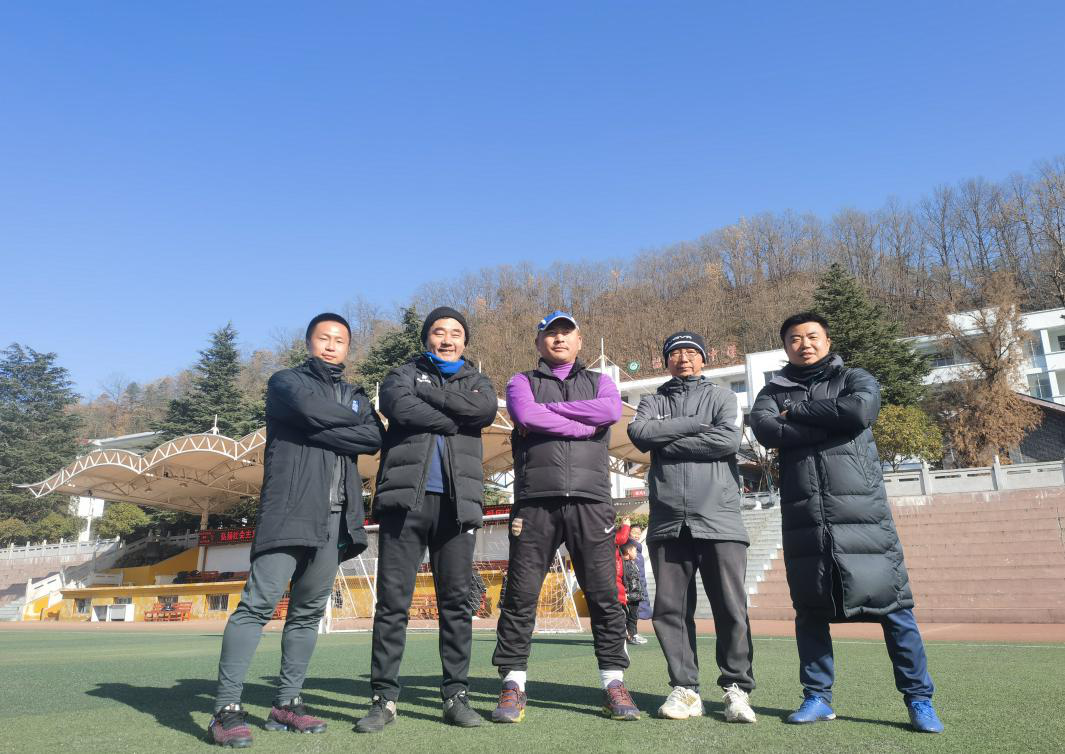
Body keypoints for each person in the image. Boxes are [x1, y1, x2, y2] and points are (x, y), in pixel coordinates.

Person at [749, 312, 943, 734]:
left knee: (895, 609)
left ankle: (919, 700)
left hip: (864, 514)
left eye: (812, 336)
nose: (804, 344)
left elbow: (858, 412)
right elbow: (765, 429)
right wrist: (827, 425)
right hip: (805, 518)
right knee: (810, 611)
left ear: (827, 340)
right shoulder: (771, 391)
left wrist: (798, 413)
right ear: (785, 347)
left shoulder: (855, 377)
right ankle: (817, 697)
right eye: (795, 338)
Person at [208, 313, 383, 747]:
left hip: (336, 518)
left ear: (348, 348)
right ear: (309, 343)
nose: (331, 345)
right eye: (324, 338)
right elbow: (309, 410)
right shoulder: (286, 382)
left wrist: (320, 429)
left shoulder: (356, 394)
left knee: (307, 614)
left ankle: (286, 703)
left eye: (339, 340)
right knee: (257, 606)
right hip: (289, 511)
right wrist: (345, 424)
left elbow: (373, 439)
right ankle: (225, 709)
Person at [491, 310, 639, 722]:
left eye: (566, 333)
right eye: (551, 333)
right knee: (520, 596)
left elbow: (609, 412)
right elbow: (526, 415)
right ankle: (513, 683)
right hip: (535, 502)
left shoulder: (602, 382)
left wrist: (551, 415)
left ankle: (613, 682)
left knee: (604, 596)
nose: (559, 339)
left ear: (579, 341)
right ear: (539, 342)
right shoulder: (521, 382)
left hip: (592, 502)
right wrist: (578, 425)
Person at [355, 307, 497, 733]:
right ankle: (383, 699)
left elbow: (484, 410)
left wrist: (431, 396)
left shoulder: (478, 380)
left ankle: (456, 695)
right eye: (439, 332)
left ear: (465, 341)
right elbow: (397, 406)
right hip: (405, 504)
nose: (447, 339)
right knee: (392, 604)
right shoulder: (401, 375)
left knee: (456, 604)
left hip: (457, 506)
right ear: (426, 338)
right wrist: (454, 419)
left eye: (455, 333)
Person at [628, 331, 756, 723]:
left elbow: (726, 441)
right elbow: (640, 434)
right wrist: (696, 426)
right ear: (666, 360)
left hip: (720, 518)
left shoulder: (722, 396)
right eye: (675, 353)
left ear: (703, 358)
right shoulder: (652, 400)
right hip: (668, 520)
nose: (683, 358)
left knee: (730, 608)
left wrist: (666, 439)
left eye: (690, 352)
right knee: (669, 610)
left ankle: (736, 689)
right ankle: (686, 689)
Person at [620, 543, 646, 645]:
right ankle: (630, 636)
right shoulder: (623, 564)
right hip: (628, 596)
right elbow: (623, 580)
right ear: (628, 551)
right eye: (634, 551)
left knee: (634, 615)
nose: (636, 553)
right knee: (629, 616)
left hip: (635, 595)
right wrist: (625, 594)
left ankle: (633, 634)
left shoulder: (631, 562)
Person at [627, 524, 652, 621]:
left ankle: (643, 614)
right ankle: (642, 614)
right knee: (639, 596)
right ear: (629, 533)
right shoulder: (630, 547)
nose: (636, 535)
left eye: (639, 533)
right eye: (634, 532)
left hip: (640, 579)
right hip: (635, 579)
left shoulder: (637, 547)